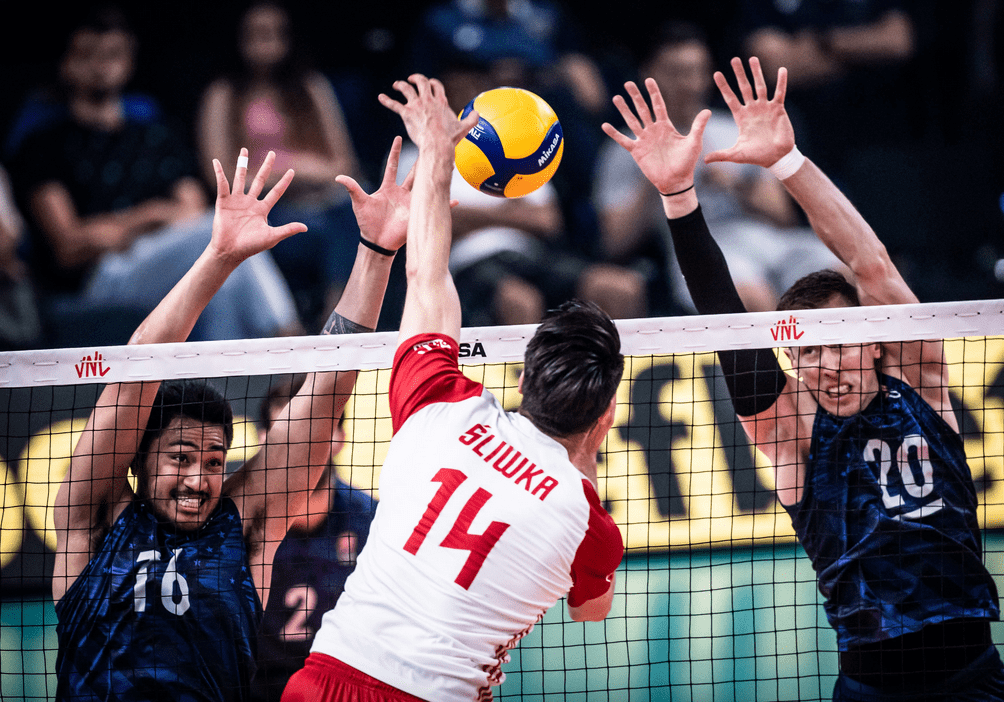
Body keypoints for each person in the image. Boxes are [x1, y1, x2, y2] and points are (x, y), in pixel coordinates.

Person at [603, 58, 1004, 699]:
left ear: (872, 343)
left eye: (839, 344)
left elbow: (869, 262)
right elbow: (725, 317)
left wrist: (788, 163)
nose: (828, 365)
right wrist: (678, 196)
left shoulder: (920, 382)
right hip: (871, 689)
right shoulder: (791, 430)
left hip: (974, 678)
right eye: (809, 352)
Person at [282, 74, 625, 702]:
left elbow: (426, 276)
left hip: (323, 677)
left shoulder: (441, 406)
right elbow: (591, 611)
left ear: (523, 376)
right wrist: (585, 459)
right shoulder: (588, 522)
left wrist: (438, 155)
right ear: (605, 414)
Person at [52, 137, 414, 701]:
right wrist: (219, 256)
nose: (198, 480)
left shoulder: (243, 531)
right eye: (180, 458)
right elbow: (136, 370)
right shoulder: (95, 519)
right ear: (140, 461)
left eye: (214, 461)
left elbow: (326, 388)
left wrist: (376, 250)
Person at [7, 7, 298, 343]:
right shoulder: (44, 145)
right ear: (66, 63)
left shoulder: (155, 135)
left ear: (129, 61)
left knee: (226, 277)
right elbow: (70, 244)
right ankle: (289, 337)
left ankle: (233, 376)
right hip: (100, 278)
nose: (100, 66)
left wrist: (118, 229)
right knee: (222, 236)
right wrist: (152, 216)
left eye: (112, 54)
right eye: (88, 55)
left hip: (170, 255)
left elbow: (190, 209)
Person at [593, 20, 842, 313]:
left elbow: (782, 216)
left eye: (696, 71)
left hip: (768, 239)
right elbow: (614, 242)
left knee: (842, 279)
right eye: (676, 73)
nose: (689, 84)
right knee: (754, 301)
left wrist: (734, 185)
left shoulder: (737, 129)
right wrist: (656, 178)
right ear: (649, 74)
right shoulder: (627, 146)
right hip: (703, 248)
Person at [198, 2, 366, 329]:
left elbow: (345, 165)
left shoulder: (311, 87)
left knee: (356, 212)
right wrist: (283, 175)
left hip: (321, 205)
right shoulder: (223, 95)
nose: (267, 43)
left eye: (276, 33)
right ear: (239, 39)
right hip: (264, 210)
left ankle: (339, 323)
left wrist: (306, 170)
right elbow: (216, 175)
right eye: (257, 34)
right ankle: (304, 329)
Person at [252, 377, 376, 702]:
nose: (303, 446)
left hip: (343, 690)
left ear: (340, 438)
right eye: (287, 433)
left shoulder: (375, 523)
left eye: (317, 430)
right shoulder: (234, 524)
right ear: (264, 440)